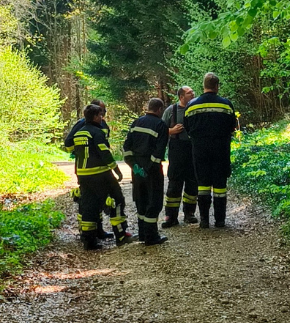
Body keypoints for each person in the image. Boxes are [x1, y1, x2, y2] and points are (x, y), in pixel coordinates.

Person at [65, 101, 129, 250]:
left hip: (83, 175)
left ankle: (89, 240)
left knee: (89, 205)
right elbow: (104, 152)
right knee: (116, 199)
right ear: (95, 116)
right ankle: (120, 235)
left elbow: (69, 147)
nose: (102, 117)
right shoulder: (97, 132)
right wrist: (116, 170)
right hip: (100, 173)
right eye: (101, 115)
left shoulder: (79, 131)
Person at [184, 73, 240, 228]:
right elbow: (232, 127)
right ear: (217, 86)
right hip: (221, 150)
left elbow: (187, 127)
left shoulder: (192, 105)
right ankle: (220, 220)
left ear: (204, 86)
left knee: (202, 185)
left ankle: (204, 220)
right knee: (220, 185)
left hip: (200, 150)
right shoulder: (226, 105)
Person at [123, 97, 170, 245]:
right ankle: (151, 236)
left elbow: (127, 147)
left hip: (137, 170)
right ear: (159, 110)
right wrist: (148, 168)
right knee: (154, 201)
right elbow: (159, 151)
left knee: (141, 200)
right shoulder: (160, 125)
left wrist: (134, 166)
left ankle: (143, 233)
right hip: (152, 171)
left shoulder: (136, 122)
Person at [161, 85, 198, 226]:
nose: (193, 94)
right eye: (189, 93)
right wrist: (171, 131)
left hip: (192, 150)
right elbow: (161, 130)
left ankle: (189, 214)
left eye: (193, 92)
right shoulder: (171, 110)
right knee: (174, 183)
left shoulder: (195, 109)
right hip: (176, 151)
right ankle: (170, 217)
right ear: (181, 97)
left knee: (192, 183)